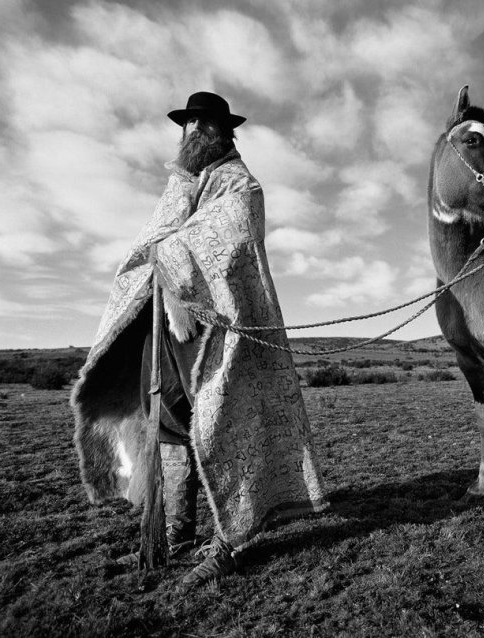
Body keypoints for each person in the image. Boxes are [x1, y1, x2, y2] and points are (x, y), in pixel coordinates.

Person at [71, 91, 328, 588]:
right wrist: (163, 248)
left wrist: (172, 255)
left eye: (203, 123)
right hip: (168, 326)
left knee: (222, 425)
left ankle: (228, 541)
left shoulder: (241, 186)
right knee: (168, 421)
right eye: (187, 123)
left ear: (223, 132)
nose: (192, 131)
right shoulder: (181, 185)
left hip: (221, 330)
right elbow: (152, 241)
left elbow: (227, 239)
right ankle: (175, 530)